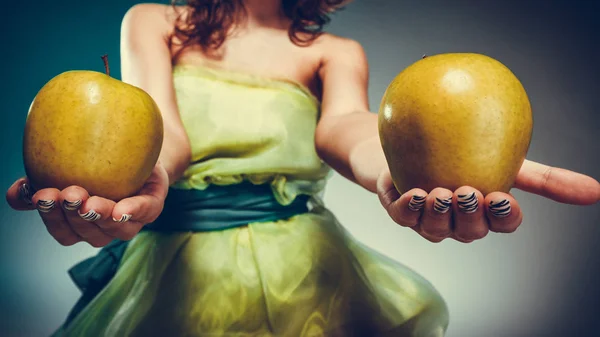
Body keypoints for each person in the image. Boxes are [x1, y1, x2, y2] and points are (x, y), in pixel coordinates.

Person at [6, 0, 600, 336]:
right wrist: (135, 180)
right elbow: (161, 134)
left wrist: (398, 170)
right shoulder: (155, 23)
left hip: (305, 264)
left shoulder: (332, 52)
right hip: (176, 264)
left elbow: (348, 128)